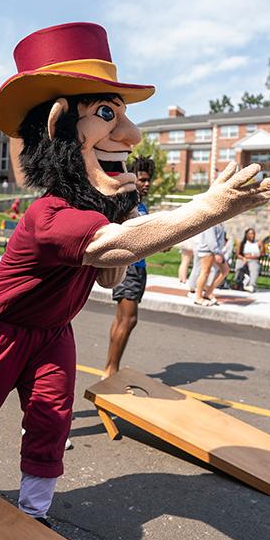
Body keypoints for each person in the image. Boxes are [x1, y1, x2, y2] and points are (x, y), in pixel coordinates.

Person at [0, 22, 270, 529]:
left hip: (52, 333)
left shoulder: (95, 210)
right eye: (107, 114)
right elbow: (110, 247)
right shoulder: (48, 216)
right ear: (59, 126)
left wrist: (126, 213)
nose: (130, 136)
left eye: (124, 116)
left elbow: (109, 273)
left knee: (51, 419)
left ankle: (34, 513)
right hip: (3, 329)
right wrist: (209, 208)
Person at [104, 156, 154, 378]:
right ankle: (110, 371)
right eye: (142, 179)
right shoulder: (127, 201)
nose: (147, 183)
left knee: (121, 319)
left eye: (148, 179)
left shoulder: (142, 205)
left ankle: (109, 368)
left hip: (139, 267)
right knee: (129, 319)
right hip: (129, 266)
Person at [192, 223, 229, 306]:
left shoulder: (220, 223)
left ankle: (208, 292)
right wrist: (216, 252)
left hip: (216, 251)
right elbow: (210, 239)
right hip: (208, 250)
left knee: (225, 270)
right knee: (205, 272)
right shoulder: (212, 223)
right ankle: (198, 297)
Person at [234, 228, 262, 292]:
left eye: (254, 233)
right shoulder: (242, 243)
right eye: (251, 233)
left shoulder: (258, 243)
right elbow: (238, 254)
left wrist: (252, 256)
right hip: (243, 259)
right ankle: (237, 283)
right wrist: (243, 258)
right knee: (239, 264)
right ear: (246, 235)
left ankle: (252, 285)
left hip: (254, 260)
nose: (253, 235)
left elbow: (262, 254)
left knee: (254, 267)